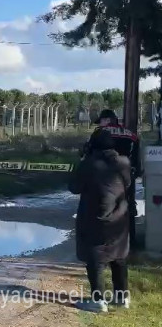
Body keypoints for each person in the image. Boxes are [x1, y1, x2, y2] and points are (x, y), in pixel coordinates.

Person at [70, 128, 132, 313]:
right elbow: (127, 184)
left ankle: (98, 301)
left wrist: (81, 161)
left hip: (95, 217)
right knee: (119, 256)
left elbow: (74, 187)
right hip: (119, 216)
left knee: (95, 257)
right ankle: (121, 298)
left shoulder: (90, 163)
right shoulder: (124, 162)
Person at [81, 109, 142, 249]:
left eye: (101, 121)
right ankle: (129, 242)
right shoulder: (131, 135)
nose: (101, 124)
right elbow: (137, 159)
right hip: (126, 177)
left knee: (101, 209)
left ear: (108, 120)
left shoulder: (100, 133)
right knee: (127, 207)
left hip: (103, 177)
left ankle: (103, 243)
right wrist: (136, 172)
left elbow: (88, 153)